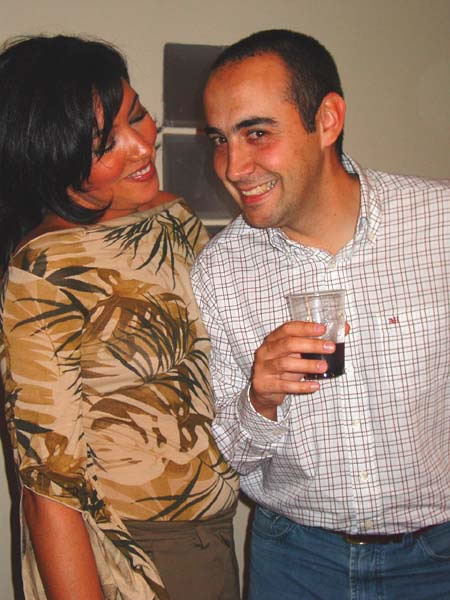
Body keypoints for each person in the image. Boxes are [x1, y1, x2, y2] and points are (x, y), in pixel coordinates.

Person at [191, 29, 449, 600]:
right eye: (220, 139)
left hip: (439, 555)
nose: (233, 166)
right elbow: (231, 454)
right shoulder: (220, 271)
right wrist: (259, 398)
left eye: (257, 133)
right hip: (295, 558)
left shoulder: (440, 224)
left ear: (327, 120)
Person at [0, 34, 240, 600]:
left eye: (137, 115)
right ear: (53, 156)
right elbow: (49, 488)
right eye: (105, 143)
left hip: (214, 534)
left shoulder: (170, 217)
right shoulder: (44, 270)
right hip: (133, 556)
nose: (140, 146)